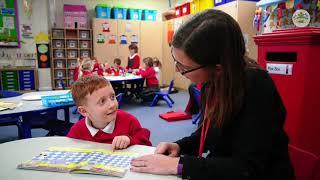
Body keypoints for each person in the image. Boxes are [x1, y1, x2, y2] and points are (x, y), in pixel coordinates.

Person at [130, 9, 294, 180]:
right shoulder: (212, 82)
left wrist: (180, 165)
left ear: (218, 68)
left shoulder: (257, 87)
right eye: (176, 61)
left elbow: (247, 167)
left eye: (184, 67)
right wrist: (180, 146)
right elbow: (210, 133)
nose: (178, 70)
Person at [67, 75, 152, 150]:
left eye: (112, 97)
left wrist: (129, 140)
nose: (112, 105)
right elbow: (67, 150)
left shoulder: (129, 121)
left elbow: (146, 144)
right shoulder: (77, 130)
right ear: (84, 111)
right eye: (102, 101)